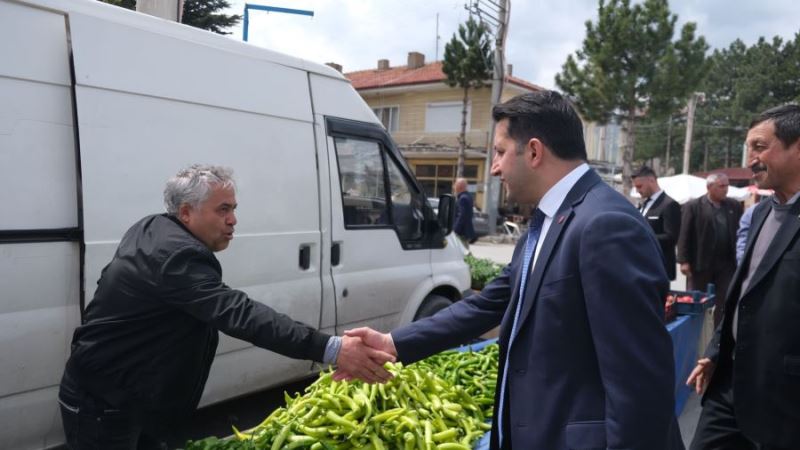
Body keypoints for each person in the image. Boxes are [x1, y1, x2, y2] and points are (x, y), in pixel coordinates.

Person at [337, 91, 683, 450]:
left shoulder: (606, 224)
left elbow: (639, 383)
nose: (495, 167)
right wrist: (393, 343)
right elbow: (488, 305)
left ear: (533, 152)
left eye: (501, 152)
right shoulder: (546, 220)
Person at [58, 165, 395, 450]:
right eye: (223, 210)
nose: (234, 220)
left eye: (233, 208)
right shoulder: (175, 256)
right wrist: (331, 348)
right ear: (186, 213)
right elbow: (240, 314)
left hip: (132, 394)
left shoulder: (155, 227)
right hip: (105, 403)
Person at [687, 104, 800, 450]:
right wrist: (716, 350)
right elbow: (744, 293)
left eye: (760, 147)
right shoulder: (761, 212)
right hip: (731, 384)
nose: (750, 159)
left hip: (785, 397)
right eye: (748, 148)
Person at [677, 173, 743, 325]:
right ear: (709, 187)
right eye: (721, 186)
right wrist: (683, 261)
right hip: (700, 262)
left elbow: (741, 231)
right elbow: (684, 234)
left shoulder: (733, 205)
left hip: (726, 262)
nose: (725, 190)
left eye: (727, 186)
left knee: (724, 299)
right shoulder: (694, 206)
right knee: (698, 298)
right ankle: (696, 328)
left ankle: (718, 332)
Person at [632, 165, 682, 280]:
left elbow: (671, 237)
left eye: (640, 186)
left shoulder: (669, 204)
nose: (638, 190)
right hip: (642, 265)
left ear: (652, 180)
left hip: (659, 267)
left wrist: (642, 237)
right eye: (636, 187)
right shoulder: (644, 204)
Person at [453, 177, 477, 247]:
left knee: (462, 252)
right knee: (465, 250)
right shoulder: (468, 196)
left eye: (455, 184)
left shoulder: (463, 198)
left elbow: (461, 216)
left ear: (459, 186)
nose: (454, 187)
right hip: (465, 232)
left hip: (461, 232)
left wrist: (455, 231)